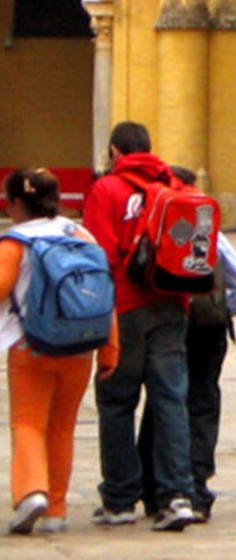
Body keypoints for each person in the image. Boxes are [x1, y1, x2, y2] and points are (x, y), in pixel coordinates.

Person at [83, 121, 196, 532]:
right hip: (171, 304)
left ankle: (119, 497)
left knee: (116, 400)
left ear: (115, 152)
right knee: (171, 399)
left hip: (126, 307)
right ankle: (176, 495)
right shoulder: (175, 187)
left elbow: (100, 255)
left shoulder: (107, 190)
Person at [0, 169, 119, 534]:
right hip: (81, 346)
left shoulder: (14, 243)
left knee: (28, 422)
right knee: (62, 426)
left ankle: (31, 491)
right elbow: (103, 294)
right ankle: (56, 507)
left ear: (18, 203)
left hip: (30, 346)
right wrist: (110, 348)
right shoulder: (81, 235)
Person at [137, 166, 236, 522]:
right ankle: (198, 489)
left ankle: (155, 487)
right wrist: (219, 312)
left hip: (166, 323)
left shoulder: (160, 227)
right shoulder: (210, 231)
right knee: (203, 403)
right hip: (209, 328)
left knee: (163, 401)